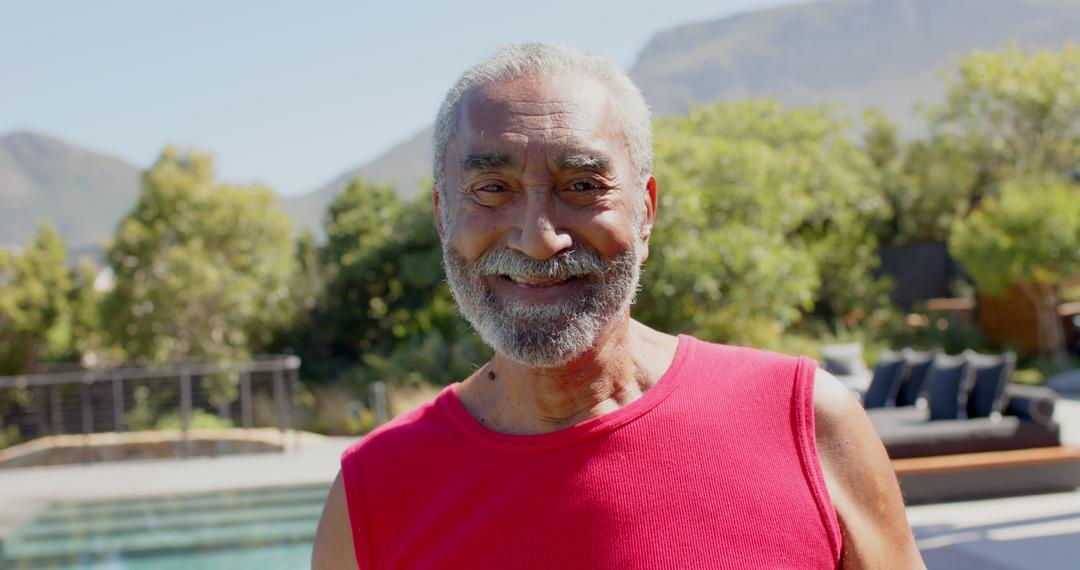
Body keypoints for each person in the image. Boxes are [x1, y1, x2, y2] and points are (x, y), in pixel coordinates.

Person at [313, 42, 924, 569]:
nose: (539, 237)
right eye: (492, 189)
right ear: (445, 216)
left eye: (582, 187)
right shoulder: (373, 493)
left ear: (647, 211)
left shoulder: (807, 423)